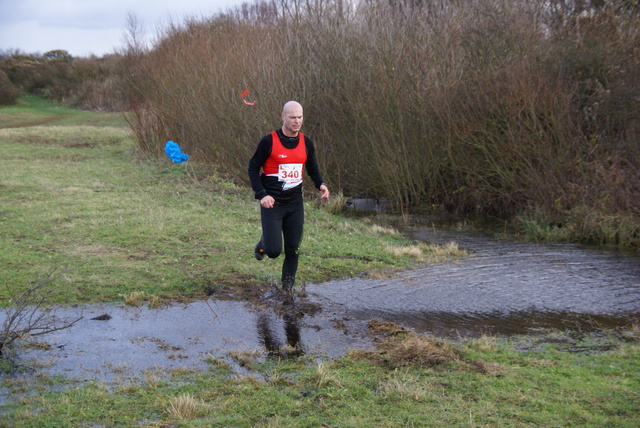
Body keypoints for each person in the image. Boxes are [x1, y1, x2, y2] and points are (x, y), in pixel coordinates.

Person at [248, 101, 329, 291]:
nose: (297, 121)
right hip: (272, 204)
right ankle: (262, 244)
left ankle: (287, 292)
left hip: (294, 204)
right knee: (274, 251)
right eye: (292, 117)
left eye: (300, 117)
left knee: (293, 249)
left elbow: (312, 168)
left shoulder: (306, 143)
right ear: (283, 117)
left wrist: (322, 185)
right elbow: (252, 168)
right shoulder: (269, 141)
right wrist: (262, 194)